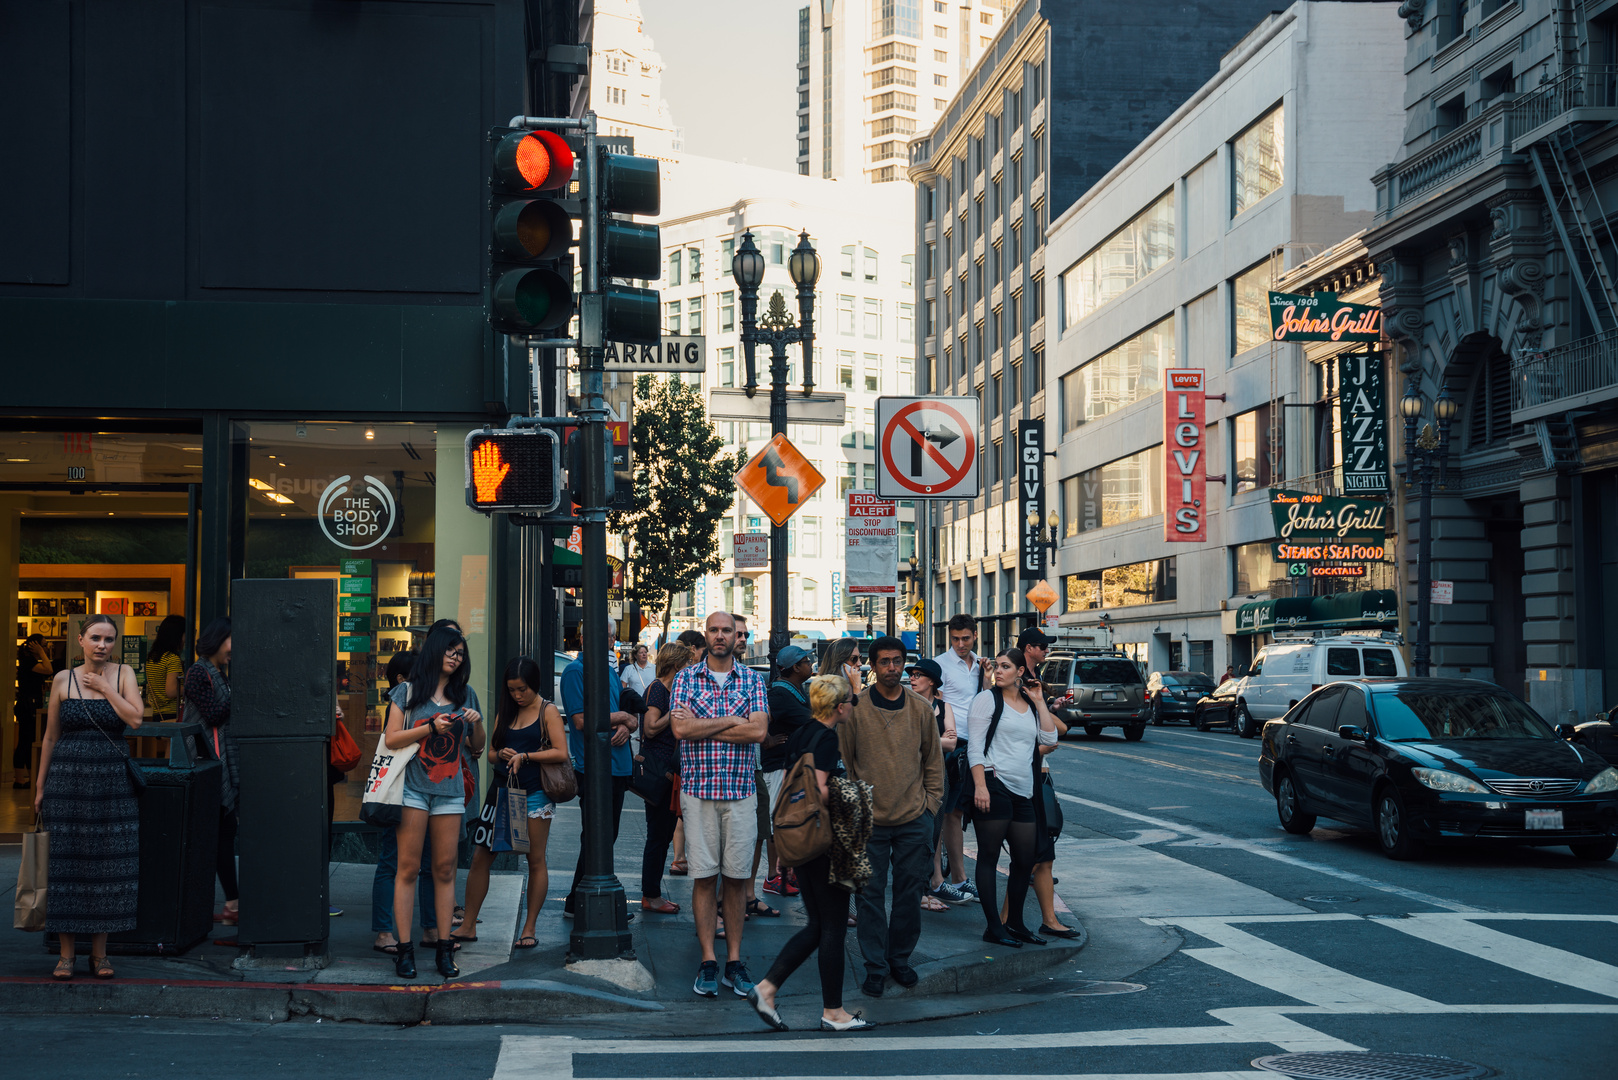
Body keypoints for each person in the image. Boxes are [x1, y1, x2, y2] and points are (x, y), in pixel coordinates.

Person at [747, 674, 871, 1033]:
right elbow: (817, 790)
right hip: (823, 841)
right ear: (838, 706)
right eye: (850, 700)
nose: (852, 705)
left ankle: (767, 989)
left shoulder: (802, 732)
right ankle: (832, 1012)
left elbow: (789, 785)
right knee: (832, 926)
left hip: (799, 839)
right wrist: (853, 794)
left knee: (819, 925)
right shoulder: (827, 738)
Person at [34, 614, 145, 979]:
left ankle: (100, 954)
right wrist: (39, 786)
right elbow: (51, 736)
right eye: (95, 638)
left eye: (109, 639)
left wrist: (104, 687)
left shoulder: (124, 674)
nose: (102, 645)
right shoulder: (62, 679)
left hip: (112, 780)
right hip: (67, 781)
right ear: (80, 640)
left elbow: (135, 720)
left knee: (109, 864)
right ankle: (66, 954)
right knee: (65, 864)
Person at [670, 610, 767, 998]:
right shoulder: (685, 678)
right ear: (705, 635)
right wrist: (733, 720)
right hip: (698, 791)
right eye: (713, 630)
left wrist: (707, 723)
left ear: (737, 636)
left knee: (738, 878)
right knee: (704, 877)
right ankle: (709, 960)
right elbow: (679, 729)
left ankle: (735, 961)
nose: (720, 636)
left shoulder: (753, 679)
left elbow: (759, 730)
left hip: (740, 792)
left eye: (727, 630)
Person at [840, 635, 943, 997]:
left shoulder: (919, 708)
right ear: (872, 666)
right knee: (869, 896)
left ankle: (899, 959)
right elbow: (847, 761)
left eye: (898, 661)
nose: (892, 668)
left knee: (909, 894)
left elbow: (933, 760)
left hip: (915, 819)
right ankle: (875, 966)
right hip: (870, 822)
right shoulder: (857, 709)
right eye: (884, 662)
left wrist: (930, 808)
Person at [383, 626, 485, 979]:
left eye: (460, 654)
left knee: (444, 870)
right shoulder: (407, 692)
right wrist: (430, 729)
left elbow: (478, 746)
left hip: (451, 792)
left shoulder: (465, 694)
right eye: (451, 651)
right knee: (408, 869)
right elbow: (392, 738)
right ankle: (405, 951)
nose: (456, 658)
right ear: (436, 650)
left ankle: (444, 950)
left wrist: (476, 723)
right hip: (412, 789)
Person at [459, 657, 568, 949]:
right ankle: (468, 925)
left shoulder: (548, 710)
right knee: (481, 857)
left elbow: (561, 752)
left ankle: (529, 928)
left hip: (534, 794)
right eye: (511, 689)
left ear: (534, 685)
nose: (517, 695)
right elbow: (490, 752)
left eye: (522, 689)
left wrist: (526, 756)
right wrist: (504, 754)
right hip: (502, 792)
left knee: (535, 859)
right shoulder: (507, 710)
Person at [968, 647, 1058, 947]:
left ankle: (1015, 922)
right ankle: (994, 926)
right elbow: (975, 748)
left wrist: (1039, 700)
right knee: (989, 856)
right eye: (997, 666)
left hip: (1025, 790)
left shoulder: (1030, 704)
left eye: (1006, 667)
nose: (999, 671)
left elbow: (1049, 739)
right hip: (994, 785)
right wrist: (980, 786)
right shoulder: (986, 700)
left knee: (1025, 859)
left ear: (1021, 672)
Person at [560, 627, 638, 918]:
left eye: (609, 635)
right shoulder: (574, 671)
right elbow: (580, 720)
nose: (605, 639)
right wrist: (624, 718)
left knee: (607, 835)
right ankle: (582, 899)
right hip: (592, 767)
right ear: (583, 637)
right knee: (596, 836)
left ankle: (579, 898)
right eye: (599, 633)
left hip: (617, 765)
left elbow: (617, 717)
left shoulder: (609, 671)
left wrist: (625, 725)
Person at [1007, 626, 1078, 939]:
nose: (1046, 650)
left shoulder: (1033, 683)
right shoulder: (1018, 684)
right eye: (1041, 646)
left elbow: (1047, 727)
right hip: (1028, 777)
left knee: (1043, 855)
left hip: (1040, 773)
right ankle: (1006, 920)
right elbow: (1054, 731)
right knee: (1032, 856)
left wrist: (1048, 709)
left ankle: (1047, 920)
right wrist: (1051, 720)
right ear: (1027, 649)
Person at [371, 650, 437, 956]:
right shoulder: (401, 701)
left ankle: (428, 928)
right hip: (400, 791)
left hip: (419, 790)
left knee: (424, 864)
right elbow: (393, 739)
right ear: (402, 680)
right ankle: (384, 932)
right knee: (392, 862)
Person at [184, 618, 239, 928]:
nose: (234, 649)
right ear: (218, 641)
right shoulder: (197, 673)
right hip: (205, 763)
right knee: (220, 832)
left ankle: (232, 902)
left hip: (218, 762)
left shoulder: (219, 673)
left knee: (224, 832)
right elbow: (215, 714)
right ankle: (230, 902)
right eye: (231, 641)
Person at [931, 613, 988, 903]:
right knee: (944, 812)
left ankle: (958, 877)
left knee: (958, 813)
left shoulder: (982, 665)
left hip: (976, 743)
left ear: (975, 635)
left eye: (965, 638)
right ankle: (948, 879)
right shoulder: (941, 664)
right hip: (951, 743)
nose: (960, 644)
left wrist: (988, 676)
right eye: (955, 639)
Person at [639, 641, 694, 913]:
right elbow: (650, 729)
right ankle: (651, 894)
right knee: (658, 835)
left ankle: (653, 893)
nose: (692, 668)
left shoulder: (674, 690)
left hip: (672, 772)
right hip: (659, 773)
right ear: (676, 666)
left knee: (662, 833)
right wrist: (673, 716)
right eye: (687, 664)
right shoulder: (658, 690)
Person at [907, 657, 966, 908]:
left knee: (933, 831)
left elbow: (951, 743)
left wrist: (922, 738)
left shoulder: (944, 706)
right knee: (913, 833)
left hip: (938, 776)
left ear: (932, 681)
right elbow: (905, 740)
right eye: (912, 675)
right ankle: (919, 890)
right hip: (910, 775)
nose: (912, 679)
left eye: (918, 675)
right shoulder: (906, 704)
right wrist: (936, 737)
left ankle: (931, 884)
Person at [761, 644, 815, 897]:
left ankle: (786, 872)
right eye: (807, 660)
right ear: (795, 667)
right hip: (777, 767)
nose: (810, 663)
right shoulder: (779, 694)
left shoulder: (796, 690)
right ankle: (773, 876)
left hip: (791, 766)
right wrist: (766, 739)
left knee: (788, 821)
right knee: (776, 823)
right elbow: (759, 718)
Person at [667, 629, 711, 877]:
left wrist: (698, 723)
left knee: (682, 813)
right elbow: (680, 725)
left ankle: (680, 858)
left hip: (684, 757)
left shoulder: (683, 678)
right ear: (693, 650)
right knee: (683, 814)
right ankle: (681, 858)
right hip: (686, 759)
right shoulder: (685, 678)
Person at [14, 633, 52, 789]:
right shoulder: (28, 661)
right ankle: (19, 779)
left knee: (29, 741)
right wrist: (42, 652)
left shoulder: (29, 661)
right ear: (34, 646)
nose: (45, 648)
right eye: (43, 645)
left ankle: (29, 777)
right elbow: (48, 669)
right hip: (27, 706)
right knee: (25, 741)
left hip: (30, 705)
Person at [144, 615, 187, 721]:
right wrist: (192, 689)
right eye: (185, 634)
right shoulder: (172, 658)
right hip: (173, 714)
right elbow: (171, 691)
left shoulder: (152, 658)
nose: (186, 639)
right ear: (178, 635)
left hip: (158, 714)